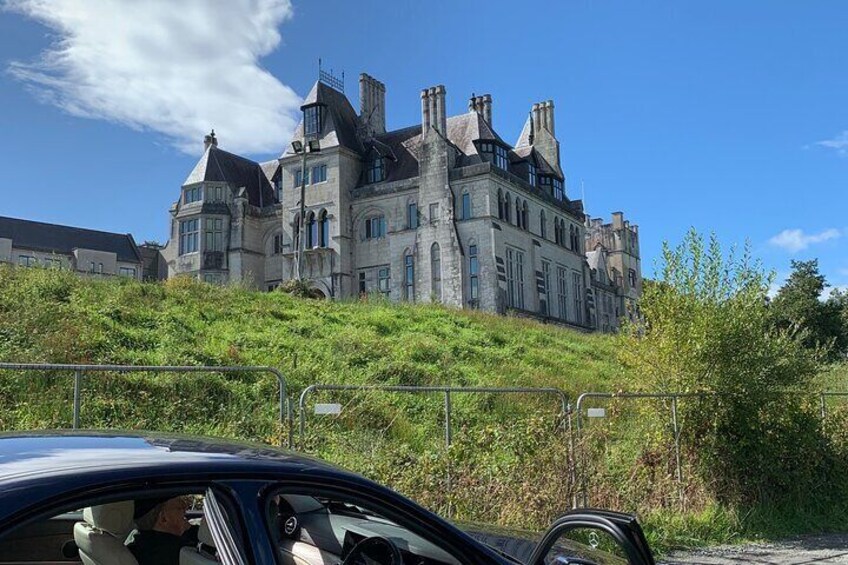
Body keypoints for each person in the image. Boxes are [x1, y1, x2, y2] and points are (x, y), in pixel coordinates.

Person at [126, 496, 199, 565]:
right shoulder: (184, 552)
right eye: (179, 507)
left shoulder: (133, 548)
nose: (186, 508)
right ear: (163, 518)